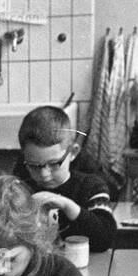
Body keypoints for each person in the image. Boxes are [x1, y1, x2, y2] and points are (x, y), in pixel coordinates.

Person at [12, 105, 116, 252]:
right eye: (34, 166)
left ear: (73, 152)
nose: (44, 174)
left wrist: (67, 205)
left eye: (54, 164)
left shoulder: (92, 187)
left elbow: (104, 239)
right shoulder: (19, 188)